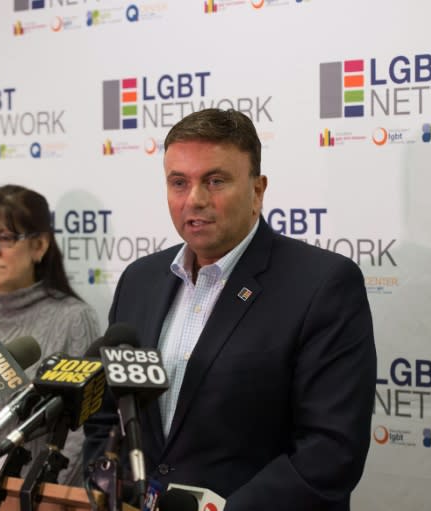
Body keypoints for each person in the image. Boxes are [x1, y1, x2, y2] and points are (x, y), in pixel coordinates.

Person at [84, 108, 376, 510]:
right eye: (179, 182)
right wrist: (109, 485)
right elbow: (106, 413)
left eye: (215, 181)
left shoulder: (324, 284)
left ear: (258, 190)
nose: (195, 199)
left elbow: (331, 450)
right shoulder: (139, 280)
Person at [0, 184, 99, 485]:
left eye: (5, 238)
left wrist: (38, 498)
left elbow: (82, 430)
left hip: (35, 495)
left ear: (39, 246)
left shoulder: (74, 318)